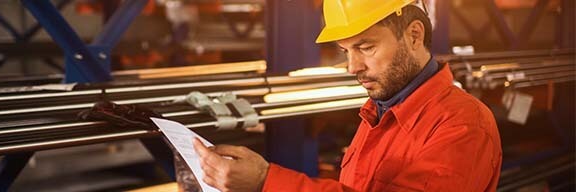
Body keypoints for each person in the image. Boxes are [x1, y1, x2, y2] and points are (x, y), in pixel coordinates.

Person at [193, 0, 502, 191]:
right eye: (345, 51)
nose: (352, 66)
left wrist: (266, 182)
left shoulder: (463, 124)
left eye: (366, 47)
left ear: (414, 35)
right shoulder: (379, 111)